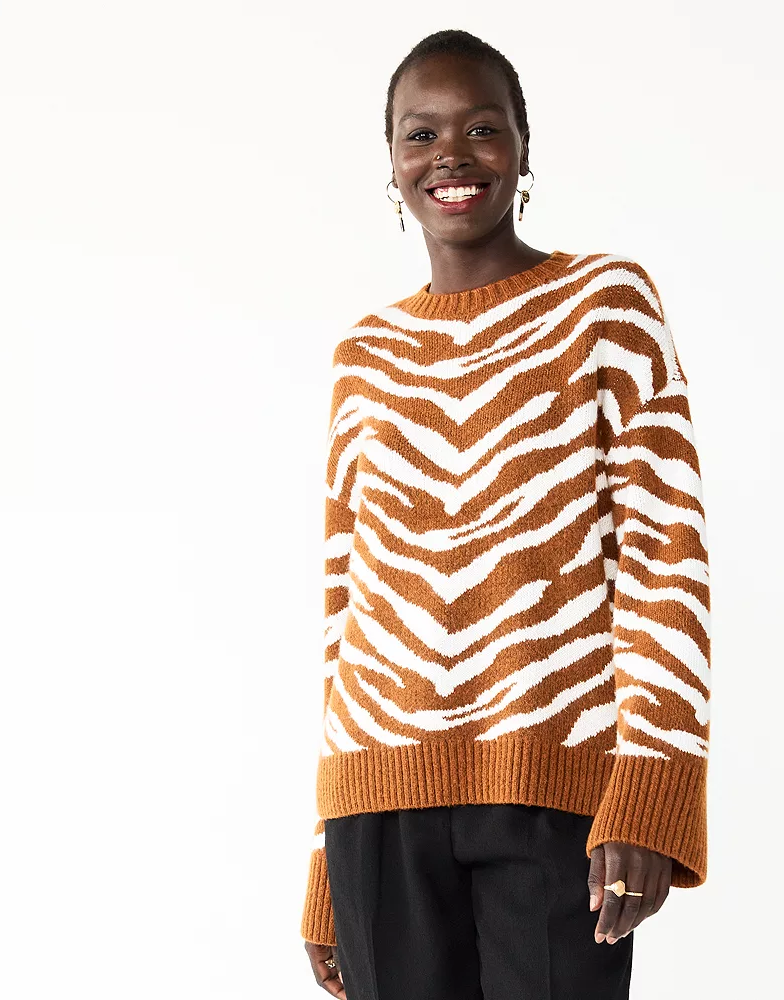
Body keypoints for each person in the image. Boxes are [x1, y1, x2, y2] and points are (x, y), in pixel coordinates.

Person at [301, 28, 712, 1000]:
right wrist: (324, 862)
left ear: (524, 151)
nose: (451, 154)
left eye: (482, 128)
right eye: (421, 134)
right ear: (392, 165)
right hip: (378, 810)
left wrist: (649, 794)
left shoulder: (605, 304)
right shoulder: (365, 354)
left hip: (554, 794)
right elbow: (346, 609)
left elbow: (666, 552)